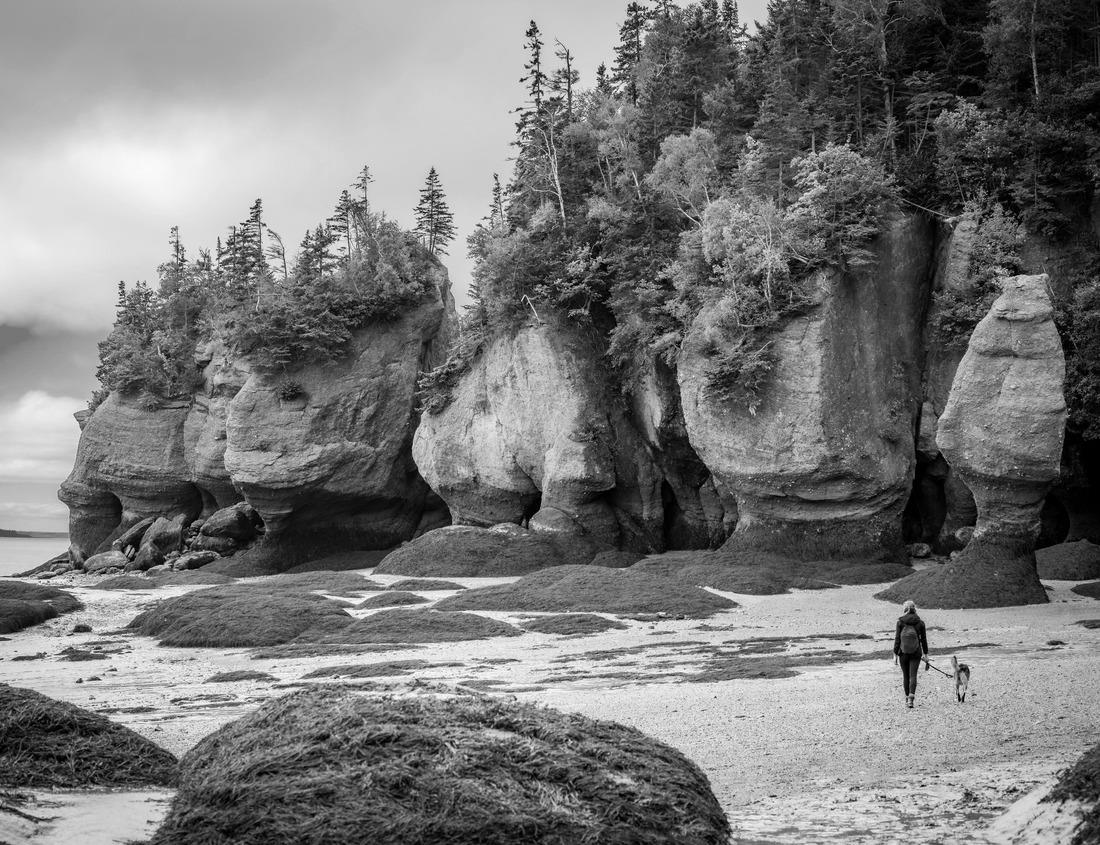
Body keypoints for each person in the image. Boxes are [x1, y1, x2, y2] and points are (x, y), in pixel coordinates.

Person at [893, 599, 929, 709]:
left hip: (902, 653)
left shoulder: (900, 622)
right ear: (915, 608)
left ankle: (906, 698)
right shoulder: (920, 623)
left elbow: (897, 639)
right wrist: (926, 654)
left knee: (906, 676)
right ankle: (911, 700)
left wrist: (895, 654)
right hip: (916, 652)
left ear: (905, 609)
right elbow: (923, 640)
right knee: (913, 675)